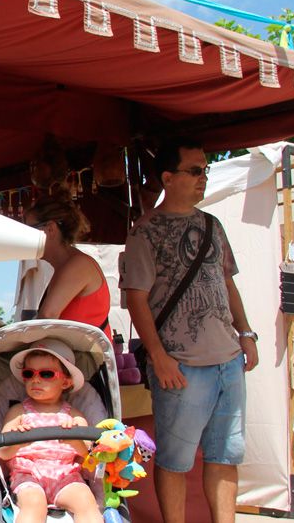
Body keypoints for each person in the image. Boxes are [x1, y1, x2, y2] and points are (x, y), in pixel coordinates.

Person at [120, 138, 258, 523]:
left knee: (226, 455)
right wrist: (159, 357)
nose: (203, 178)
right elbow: (136, 297)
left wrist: (246, 334)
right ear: (168, 177)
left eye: (205, 171)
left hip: (227, 359)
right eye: (195, 170)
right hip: (180, 364)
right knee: (176, 460)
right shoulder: (145, 231)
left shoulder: (212, 225)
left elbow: (226, 283)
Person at [0, 339, 100, 523]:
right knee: (35, 504)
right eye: (29, 373)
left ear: (66, 382)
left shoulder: (75, 415)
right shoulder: (18, 412)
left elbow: (90, 454)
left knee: (86, 501)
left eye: (46, 374)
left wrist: (75, 440)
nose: (35, 379)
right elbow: (2, 453)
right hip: (28, 474)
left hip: (65, 474)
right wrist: (18, 440)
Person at [24, 194, 111, 337]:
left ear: (50, 229)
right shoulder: (68, 265)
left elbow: (47, 316)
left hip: (83, 358)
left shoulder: (78, 264)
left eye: (29, 230)